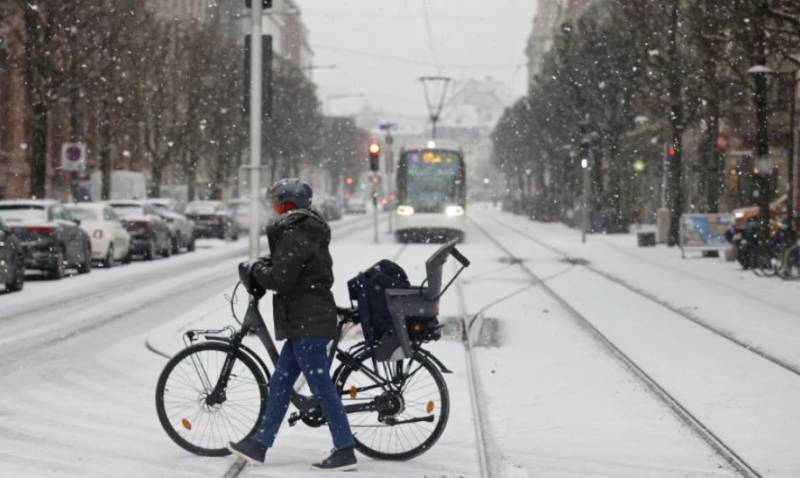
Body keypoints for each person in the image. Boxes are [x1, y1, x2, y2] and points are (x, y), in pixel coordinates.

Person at [228, 178, 357, 471]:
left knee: (321, 387)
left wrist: (257, 270)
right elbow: (288, 266)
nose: (272, 208)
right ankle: (260, 445)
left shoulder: (296, 232)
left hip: (308, 320)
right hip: (304, 319)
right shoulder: (300, 229)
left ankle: (345, 449)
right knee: (281, 383)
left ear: (287, 205)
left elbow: (281, 279)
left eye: (275, 203)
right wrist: (265, 264)